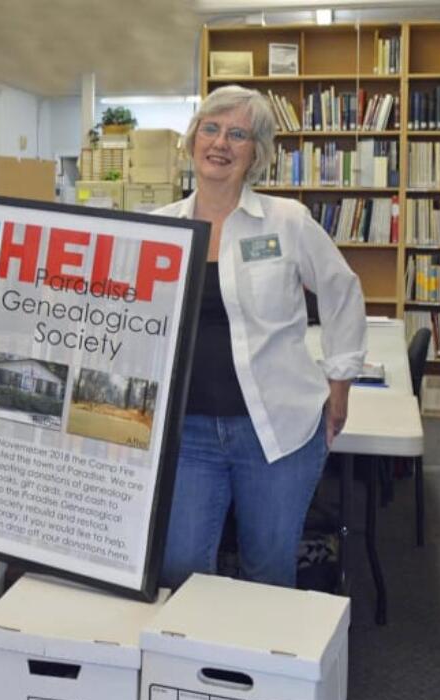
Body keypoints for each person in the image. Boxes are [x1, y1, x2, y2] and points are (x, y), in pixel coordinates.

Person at [154, 85, 368, 589]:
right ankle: (190, 669)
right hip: (188, 434)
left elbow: (342, 290)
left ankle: (263, 669)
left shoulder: (286, 221)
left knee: (268, 572)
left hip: (278, 429)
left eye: (238, 134)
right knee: (179, 570)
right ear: (192, 140)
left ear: (257, 154)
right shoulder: (157, 229)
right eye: (210, 128)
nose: (220, 143)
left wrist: (341, 382)